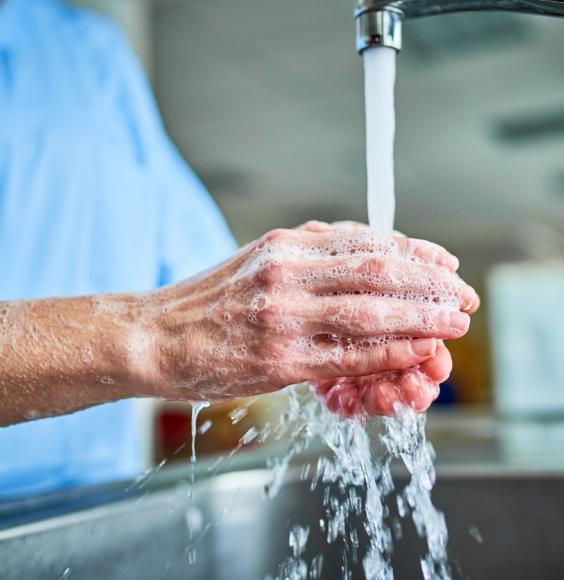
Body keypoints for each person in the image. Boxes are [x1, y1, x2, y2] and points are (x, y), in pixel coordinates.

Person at [0, 0, 479, 499]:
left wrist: (315, 293)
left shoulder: (89, 52)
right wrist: (157, 335)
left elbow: (206, 280)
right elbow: (177, 319)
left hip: (88, 514)